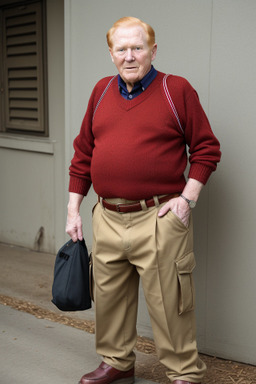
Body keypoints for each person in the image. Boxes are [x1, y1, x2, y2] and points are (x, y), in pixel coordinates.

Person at [66, 16, 221, 384]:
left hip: (158, 215)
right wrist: (74, 210)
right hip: (107, 215)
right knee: (109, 297)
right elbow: (83, 154)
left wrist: (187, 199)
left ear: (153, 50)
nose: (130, 56)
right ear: (111, 54)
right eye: (122, 49)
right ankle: (117, 363)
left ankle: (184, 373)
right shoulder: (102, 91)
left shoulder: (175, 89)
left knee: (171, 303)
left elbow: (206, 149)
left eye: (138, 47)